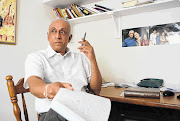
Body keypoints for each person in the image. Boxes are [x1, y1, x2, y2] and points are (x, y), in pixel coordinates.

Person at [24, 18, 122, 121]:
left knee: (110, 108)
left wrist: (92, 59)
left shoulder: (80, 58)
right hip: (53, 112)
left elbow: (96, 90)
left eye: (62, 32)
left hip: (81, 109)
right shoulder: (36, 57)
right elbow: (33, 84)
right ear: (48, 36)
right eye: (53, 31)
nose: (57, 36)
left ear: (69, 38)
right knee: (61, 110)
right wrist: (49, 89)